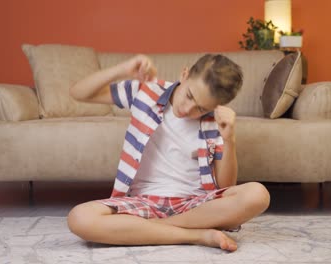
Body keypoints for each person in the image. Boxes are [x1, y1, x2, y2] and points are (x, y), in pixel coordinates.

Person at [67, 54, 270, 252]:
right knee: (79, 218)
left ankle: (156, 228)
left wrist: (229, 140)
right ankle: (197, 235)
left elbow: (225, 186)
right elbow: (78, 92)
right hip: (143, 201)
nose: (187, 109)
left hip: (194, 206)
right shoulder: (146, 93)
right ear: (184, 74)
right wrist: (122, 69)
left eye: (200, 108)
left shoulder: (216, 121)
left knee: (258, 194)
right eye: (189, 95)